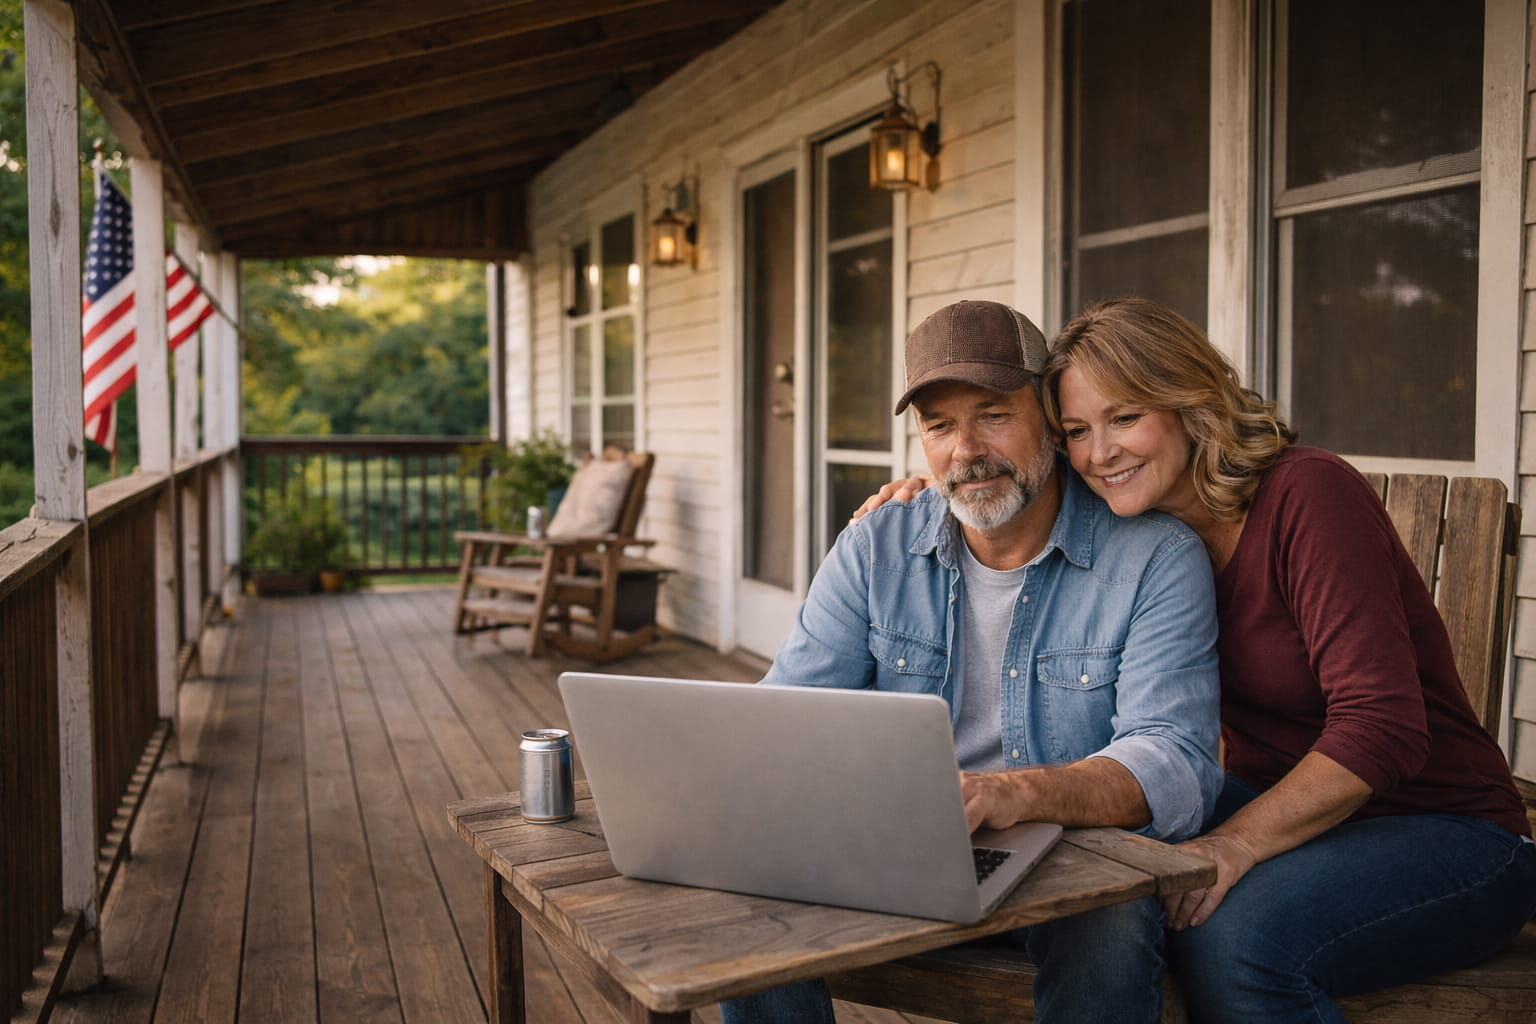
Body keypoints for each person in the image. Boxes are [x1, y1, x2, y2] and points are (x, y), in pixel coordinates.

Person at [857, 296, 1536, 1023]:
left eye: (1124, 419)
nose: (1099, 453)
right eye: (1077, 431)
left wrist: (1233, 844)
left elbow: (1384, 726)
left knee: (1235, 940)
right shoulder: (1145, 529)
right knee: (1119, 881)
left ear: (1190, 405)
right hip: (1280, 804)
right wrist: (946, 489)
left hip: (1443, 829)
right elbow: (1012, 481)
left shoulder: (1307, 495)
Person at [722, 299, 1223, 1024]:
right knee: (750, 881)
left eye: (993, 415)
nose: (966, 450)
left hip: (1069, 856)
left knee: (1110, 922)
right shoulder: (874, 547)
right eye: (939, 425)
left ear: (1050, 418)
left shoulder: (1154, 558)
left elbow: (1175, 761)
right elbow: (783, 716)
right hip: (897, 842)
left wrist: (1019, 794)